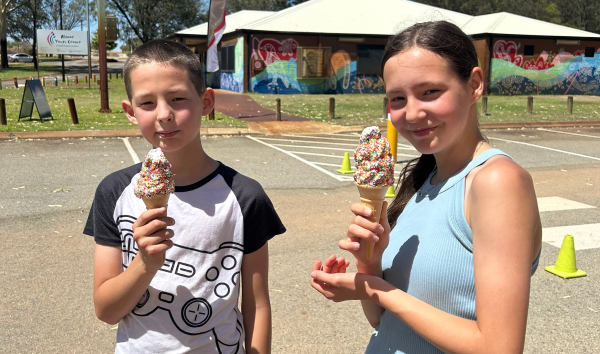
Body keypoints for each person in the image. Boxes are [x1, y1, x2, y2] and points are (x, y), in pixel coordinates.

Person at [310, 21, 542, 354]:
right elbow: (383, 321)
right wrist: (368, 265)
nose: (413, 113)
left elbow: (498, 346)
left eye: (430, 92)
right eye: (398, 99)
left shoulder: (496, 181)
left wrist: (375, 288)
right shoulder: (425, 181)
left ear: (475, 84)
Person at [84, 39, 285, 354]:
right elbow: (106, 311)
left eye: (177, 99)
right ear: (130, 111)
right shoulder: (114, 192)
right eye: (147, 103)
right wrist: (146, 263)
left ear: (206, 102)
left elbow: (257, 305)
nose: (164, 114)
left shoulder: (245, 197)